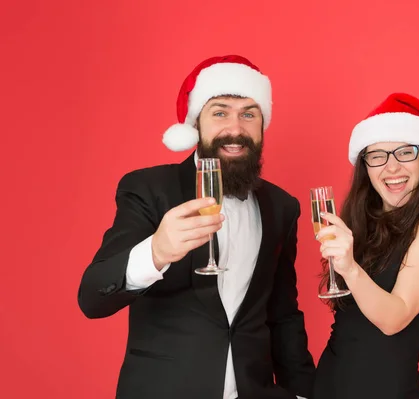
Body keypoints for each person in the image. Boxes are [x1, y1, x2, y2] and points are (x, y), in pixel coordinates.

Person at [77, 55, 315, 399]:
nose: (235, 129)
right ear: (196, 124)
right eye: (220, 113)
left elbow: (283, 315)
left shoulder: (282, 207)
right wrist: (155, 252)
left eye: (249, 114)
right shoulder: (149, 189)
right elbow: (92, 297)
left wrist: (304, 391)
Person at [311, 93, 419, 398]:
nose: (391, 168)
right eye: (377, 155)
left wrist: (350, 269)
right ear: (365, 166)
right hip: (327, 385)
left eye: (405, 152)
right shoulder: (363, 219)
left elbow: (395, 318)